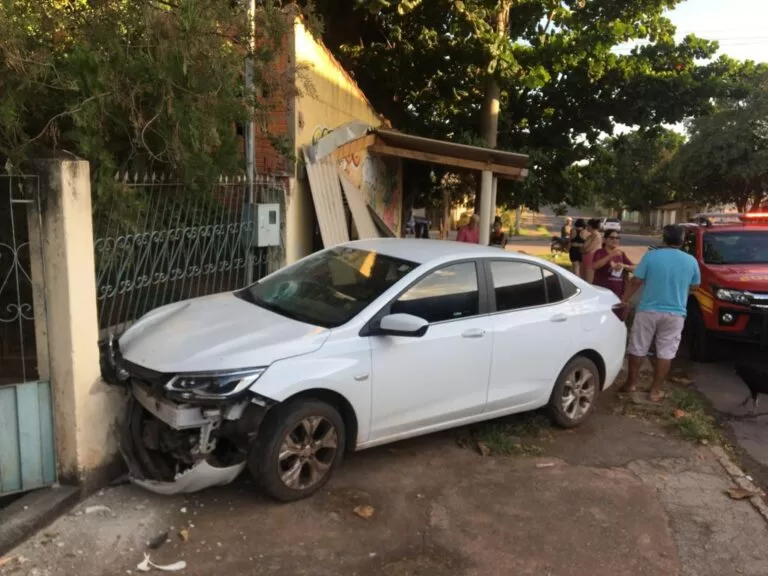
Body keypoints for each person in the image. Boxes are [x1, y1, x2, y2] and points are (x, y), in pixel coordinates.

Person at [621, 225, 701, 402]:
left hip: (648, 310)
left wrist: (624, 299)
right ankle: (655, 391)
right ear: (682, 241)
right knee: (666, 352)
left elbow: (636, 281)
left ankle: (631, 384)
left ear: (664, 239)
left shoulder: (651, 256)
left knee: (638, 346)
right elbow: (695, 285)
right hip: (675, 313)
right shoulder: (691, 261)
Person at [592, 231, 635, 319]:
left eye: (617, 238)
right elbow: (595, 266)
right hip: (602, 293)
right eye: (611, 238)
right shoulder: (600, 252)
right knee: (601, 318)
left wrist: (624, 266)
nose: (615, 240)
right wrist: (611, 255)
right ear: (605, 240)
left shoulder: (621, 254)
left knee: (616, 319)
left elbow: (635, 269)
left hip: (618, 293)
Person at [581, 218, 603, 283]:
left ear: (590, 226)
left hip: (592, 258)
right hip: (585, 258)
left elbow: (588, 249)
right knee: (583, 279)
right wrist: (583, 250)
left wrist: (583, 250)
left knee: (589, 280)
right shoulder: (589, 236)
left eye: (587, 226)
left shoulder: (597, 236)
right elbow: (582, 248)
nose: (586, 227)